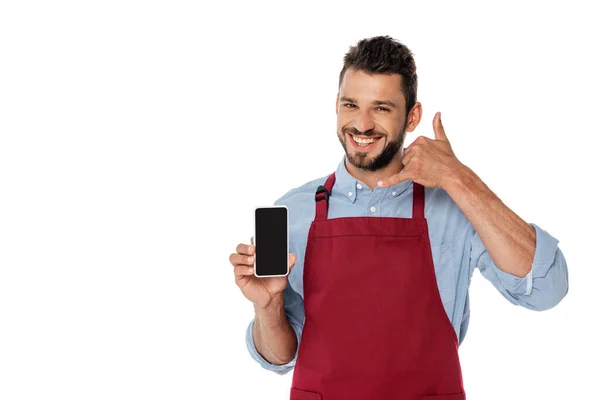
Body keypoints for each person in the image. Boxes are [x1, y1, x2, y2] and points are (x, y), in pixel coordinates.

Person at [228, 35, 569, 399]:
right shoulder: (292, 212)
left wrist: (460, 179)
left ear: (412, 117)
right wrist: (267, 305)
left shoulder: (455, 206)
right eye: (350, 105)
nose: (361, 124)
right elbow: (280, 357)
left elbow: (546, 290)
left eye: (381, 108)